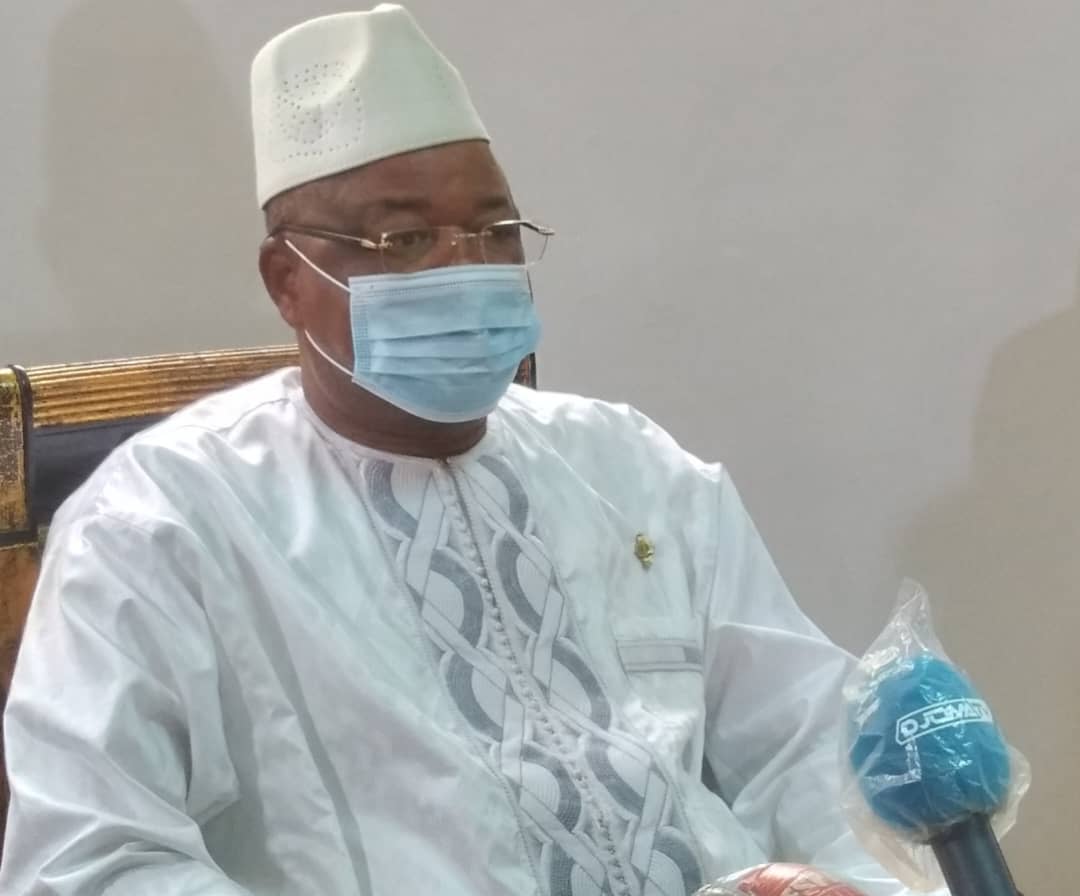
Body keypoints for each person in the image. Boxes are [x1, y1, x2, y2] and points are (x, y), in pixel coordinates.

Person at [0, 6, 918, 895]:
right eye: (402, 239)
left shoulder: (632, 468)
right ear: (289, 281)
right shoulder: (155, 527)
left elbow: (812, 744)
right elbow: (84, 865)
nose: (465, 267)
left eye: (495, 232)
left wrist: (864, 887)